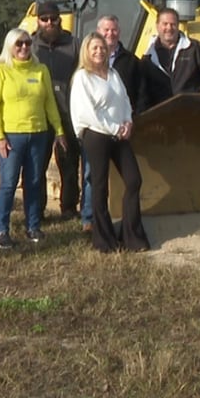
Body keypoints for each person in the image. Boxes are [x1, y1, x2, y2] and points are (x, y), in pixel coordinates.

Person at [0, 28, 66, 249]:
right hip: (11, 137)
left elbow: (50, 102)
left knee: (33, 182)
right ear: (9, 46)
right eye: (19, 44)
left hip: (38, 134)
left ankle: (33, 227)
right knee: (9, 183)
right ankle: (2, 231)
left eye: (27, 43)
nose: (23, 48)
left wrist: (59, 130)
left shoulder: (40, 70)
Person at [70, 33, 150, 253]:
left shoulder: (113, 74)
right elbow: (88, 113)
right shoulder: (82, 78)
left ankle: (131, 235)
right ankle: (104, 240)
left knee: (134, 180)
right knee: (100, 185)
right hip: (96, 136)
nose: (99, 52)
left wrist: (128, 122)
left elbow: (124, 100)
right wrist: (115, 128)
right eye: (94, 48)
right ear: (87, 51)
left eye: (102, 48)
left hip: (119, 134)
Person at [29, 1, 83, 221]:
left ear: (60, 19)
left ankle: (69, 207)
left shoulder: (74, 44)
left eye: (53, 18)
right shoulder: (29, 46)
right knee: (37, 164)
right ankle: (37, 209)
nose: (49, 22)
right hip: (39, 115)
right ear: (38, 21)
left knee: (69, 163)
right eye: (45, 19)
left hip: (67, 112)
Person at [141, 7, 200, 109]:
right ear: (157, 26)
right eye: (165, 24)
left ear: (178, 26)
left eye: (173, 24)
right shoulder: (148, 56)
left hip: (191, 112)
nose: (169, 28)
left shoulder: (193, 48)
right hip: (160, 115)